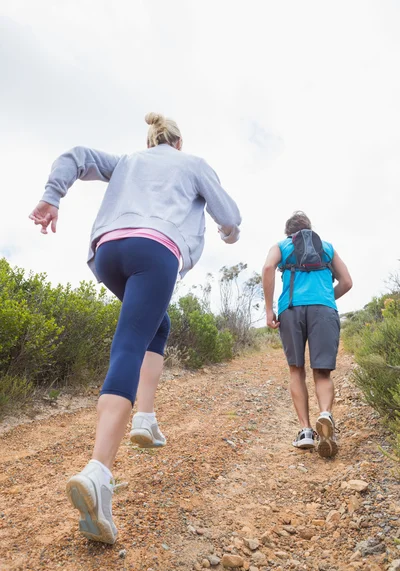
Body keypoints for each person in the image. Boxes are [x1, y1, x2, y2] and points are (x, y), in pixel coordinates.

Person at [29, 112, 241, 544]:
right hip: (154, 250)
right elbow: (230, 214)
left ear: (150, 142)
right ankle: (98, 473)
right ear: (178, 143)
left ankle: (145, 418)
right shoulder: (193, 164)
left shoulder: (127, 161)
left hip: (108, 253)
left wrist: (52, 197)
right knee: (128, 344)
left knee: (154, 326)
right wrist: (229, 232)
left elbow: (78, 155)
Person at [262, 211, 352, 458]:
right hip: (324, 310)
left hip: (290, 310)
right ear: (309, 229)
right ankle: (325, 414)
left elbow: (268, 266)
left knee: (296, 369)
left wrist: (269, 309)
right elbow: (347, 282)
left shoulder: (282, 246)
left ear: (288, 232)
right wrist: (324, 298)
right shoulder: (326, 247)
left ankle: (305, 431)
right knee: (322, 371)